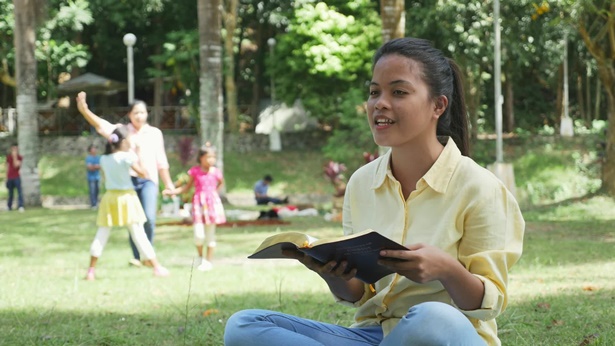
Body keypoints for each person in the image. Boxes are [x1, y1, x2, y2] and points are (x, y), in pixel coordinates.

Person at [224, 37, 525, 346]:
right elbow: (358, 294)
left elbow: (490, 304)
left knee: (434, 318)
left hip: (447, 334)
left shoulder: (480, 187)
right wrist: (330, 272)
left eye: (398, 92)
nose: (379, 103)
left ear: (438, 105)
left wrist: (446, 269)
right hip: (374, 337)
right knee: (244, 326)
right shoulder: (361, 183)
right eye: (374, 92)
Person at [76, 92, 175, 268]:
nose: (139, 116)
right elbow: (101, 125)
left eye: (142, 112)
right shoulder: (122, 131)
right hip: (127, 181)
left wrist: (168, 184)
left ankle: (147, 256)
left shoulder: (154, 133)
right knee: (134, 220)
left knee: (149, 219)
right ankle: (138, 257)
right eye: (135, 112)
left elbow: (161, 161)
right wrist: (85, 111)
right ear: (129, 114)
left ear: (147, 114)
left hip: (148, 180)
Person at [85, 126, 169, 280]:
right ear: (123, 141)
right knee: (138, 233)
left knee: (102, 233)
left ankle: (91, 270)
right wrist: (136, 155)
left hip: (110, 197)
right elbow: (143, 173)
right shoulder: (127, 157)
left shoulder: (104, 159)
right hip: (127, 197)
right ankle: (156, 266)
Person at [163, 144, 226, 271]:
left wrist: (213, 195)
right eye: (208, 157)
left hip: (211, 206)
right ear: (201, 158)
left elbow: (220, 183)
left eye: (213, 157)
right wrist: (173, 192)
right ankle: (200, 257)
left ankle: (209, 261)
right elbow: (186, 188)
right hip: (199, 205)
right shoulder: (195, 171)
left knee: (210, 235)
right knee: (199, 235)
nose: (211, 160)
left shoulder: (216, 172)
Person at [5, 143, 24, 212]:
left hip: (16, 177)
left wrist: (15, 157)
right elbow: (7, 167)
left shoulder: (20, 157)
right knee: (10, 193)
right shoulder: (8, 157)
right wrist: (6, 177)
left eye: (16, 149)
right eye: (13, 149)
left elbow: (16, 165)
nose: (14, 150)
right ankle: (9, 206)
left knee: (19, 192)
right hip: (10, 177)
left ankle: (20, 206)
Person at [85, 144, 101, 208]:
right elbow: (89, 167)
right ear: (90, 150)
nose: (94, 150)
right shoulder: (88, 158)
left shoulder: (98, 157)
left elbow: (100, 166)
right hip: (91, 177)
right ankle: (93, 204)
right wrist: (95, 166)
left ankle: (96, 203)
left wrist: (94, 166)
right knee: (92, 191)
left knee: (97, 190)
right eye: (93, 148)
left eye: (95, 148)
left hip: (97, 176)